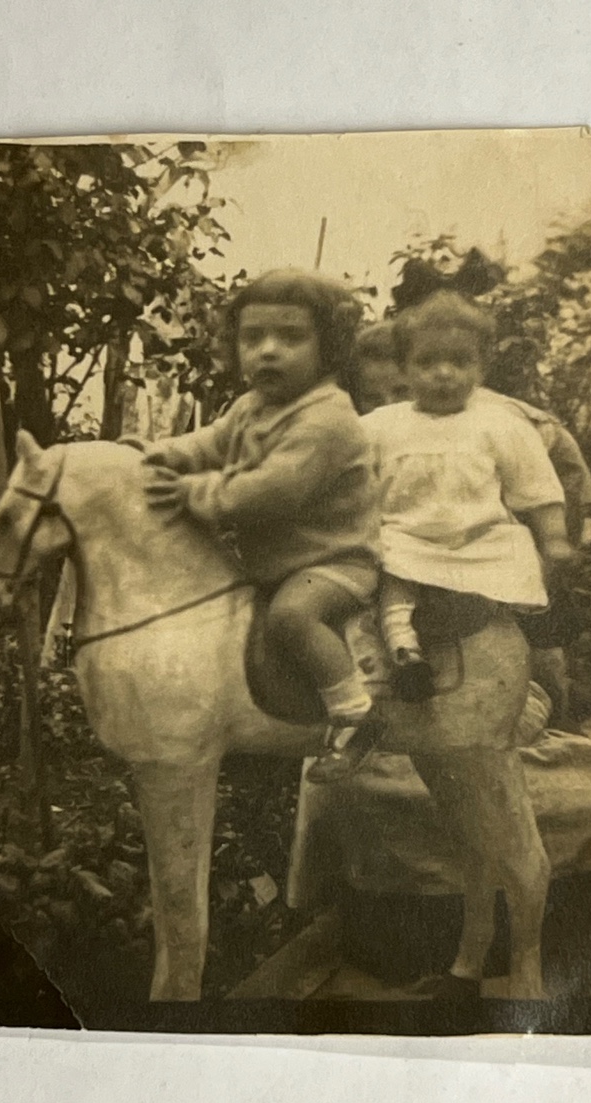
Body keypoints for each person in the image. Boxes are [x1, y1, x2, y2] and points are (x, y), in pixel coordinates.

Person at [142, 269, 383, 782]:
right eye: (253, 338)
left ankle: (354, 713)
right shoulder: (253, 407)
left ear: (330, 347)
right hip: (274, 566)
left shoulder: (328, 420)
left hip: (334, 562)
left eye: (291, 337)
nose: (268, 351)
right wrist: (159, 454)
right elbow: (209, 442)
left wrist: (191, 492)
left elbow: (271, 490)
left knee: (292, 617)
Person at [361, 291, 575, 701]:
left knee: (520, 572)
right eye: (426, 362)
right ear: (404, 368)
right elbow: (351, 478)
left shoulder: (500, 423)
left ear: (480, 367)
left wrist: (554, 537)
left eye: (460, 362)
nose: (444, 374)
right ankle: (406, 653)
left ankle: (540, 672)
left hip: (480, 540)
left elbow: (534, 485)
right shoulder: (380, 426)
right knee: (393, 577)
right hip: (406, 537)